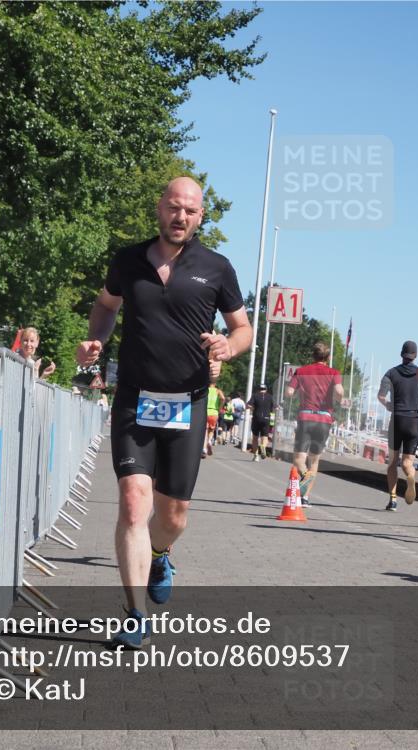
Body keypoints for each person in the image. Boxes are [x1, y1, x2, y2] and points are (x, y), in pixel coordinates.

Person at [75, 177, 251, 647]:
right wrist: (98, 338)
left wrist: (227, 348)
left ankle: (160, 551)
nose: (181, 217)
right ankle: (134, 614)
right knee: (134, 502)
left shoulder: (217, 268)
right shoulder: (129, 259)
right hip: (135, 397)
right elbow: (106, 304)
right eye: (175, 208)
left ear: (200, 217)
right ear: (160, 209)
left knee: (174, 515)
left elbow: (242, 329)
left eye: (191, 211)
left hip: (187, 402)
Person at [284, 342, 345, 507]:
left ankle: (304, 476)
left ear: (313, 355)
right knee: (314, 460)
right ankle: (305, 498)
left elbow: (289, 392)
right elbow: (339, 392)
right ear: (328, 357)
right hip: (324, 420)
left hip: (306, 417)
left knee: (298, 458)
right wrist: (340, 399)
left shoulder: (301, 372)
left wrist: (293, 393)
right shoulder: (334, 373)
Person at [378, 340, 418, 511]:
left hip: (397, 420)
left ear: (401, 354)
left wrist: (389, 405)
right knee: (407, 462)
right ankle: (410, 475)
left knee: (392, 462)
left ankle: (393, 499)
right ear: (416, 355)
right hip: (414, 420)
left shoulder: (391, 373)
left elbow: (381, 396)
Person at [247, 384, 275, 461]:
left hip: (256, 418)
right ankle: (263, 446)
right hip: (266, 419)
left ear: (259, 389)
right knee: (265, 436)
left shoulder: (255, 395)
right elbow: (275, 407)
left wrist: (252, 408)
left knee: (255, 438)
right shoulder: (270, 397)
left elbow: (248, 405)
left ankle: (256, 456)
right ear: (266, 389)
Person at [203, 361, 225, 459]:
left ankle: (204, 448)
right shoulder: (218, 391)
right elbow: (223, 398)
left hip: (205, 411)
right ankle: (209, 441)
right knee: (211, 430)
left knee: (204, 430)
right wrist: (220, 407)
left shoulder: (206, 390)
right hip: (214, 412)